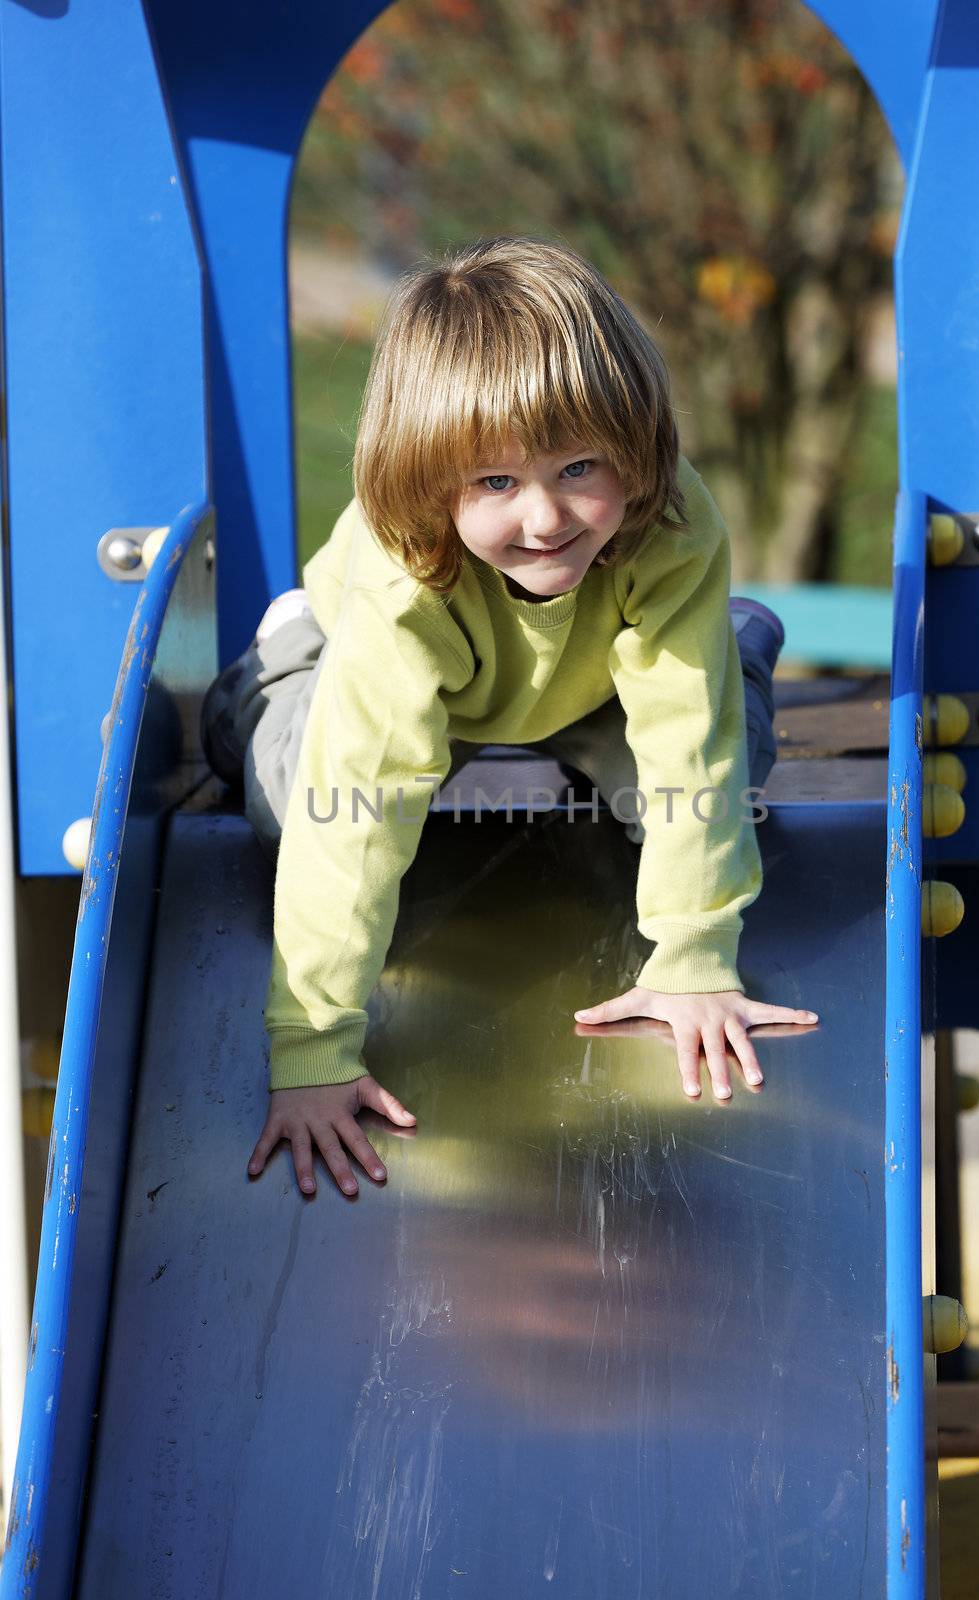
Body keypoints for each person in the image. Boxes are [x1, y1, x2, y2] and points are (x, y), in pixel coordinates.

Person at [200, 235, 817, 1200]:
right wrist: (312, 1046)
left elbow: (688, 752)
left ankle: (725, 640)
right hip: (410, 675)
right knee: (293, 806)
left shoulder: (669, 528)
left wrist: (695, 959)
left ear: (639, 446)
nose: (543, 518)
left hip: (594, 678)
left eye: (579, 466)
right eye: (494, 483)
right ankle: (285, 661)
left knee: (728, 766)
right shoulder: (405, 582)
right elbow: (355, 811)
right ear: (428, 480)